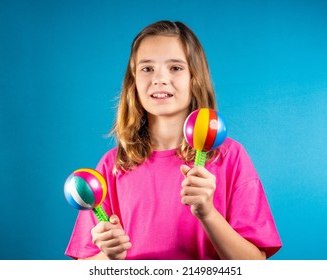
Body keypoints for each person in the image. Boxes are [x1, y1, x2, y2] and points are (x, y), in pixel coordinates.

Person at [65, 20, 282, 260]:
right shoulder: (112, 165)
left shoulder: (229, 156)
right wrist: (110, 256)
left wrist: (208, 213)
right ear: (133, 82)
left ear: (195, 78)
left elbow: (254, 265)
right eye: (147, 68)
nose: (159, 79)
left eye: (175, 68)